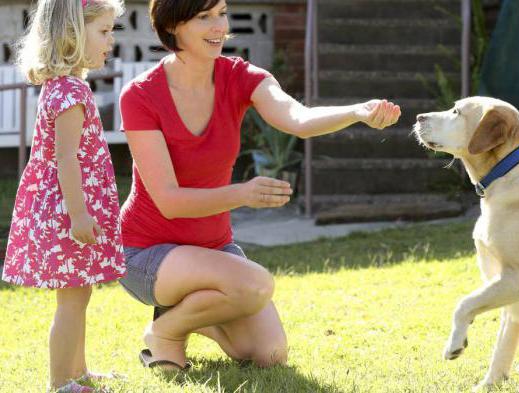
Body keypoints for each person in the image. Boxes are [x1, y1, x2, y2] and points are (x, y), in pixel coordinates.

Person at [117, 0, 401, 371]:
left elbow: (296, 117)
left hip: (211, 249)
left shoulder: (240, 76)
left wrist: (356, 112)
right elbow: (170, 202)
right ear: (173, 26)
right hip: (146, 252)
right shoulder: (140, 95)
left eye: (221, 13)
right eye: (204, 17)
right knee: (255, 284)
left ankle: (181, 314)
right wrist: (242, 193)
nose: (219, 26)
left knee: (268, 354)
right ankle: (167, 333)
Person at [2, 0, 126, 391]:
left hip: (66, 208)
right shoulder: (70, 92)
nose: (110, 41)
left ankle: (79, 371)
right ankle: (61, 382)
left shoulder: (65, 86)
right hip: (67, 213)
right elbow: (65, 158)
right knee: (72, 301)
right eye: (103, 32)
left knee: (79, 294)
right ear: (73, 35)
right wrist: (79, 215)